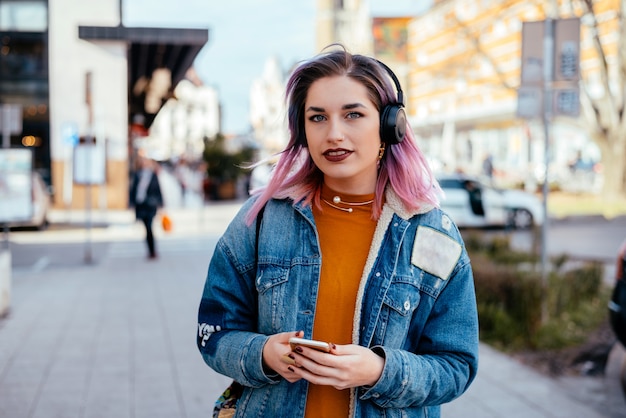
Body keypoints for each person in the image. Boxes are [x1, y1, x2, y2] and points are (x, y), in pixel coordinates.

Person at [197, 46, 479, 417]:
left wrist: (380, 371)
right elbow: (213, 333)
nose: (333, 133)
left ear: (390, 125)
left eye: (353, 114)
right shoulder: (263, 220)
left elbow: (456, 365)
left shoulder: (431, 234)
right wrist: (263, 354)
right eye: (317, 118)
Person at [129, 156, 163, 259]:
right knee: (146, 227)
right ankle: (150, 249)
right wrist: (131, 203)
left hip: (150, 205)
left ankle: (152, 250)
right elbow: (132, 190)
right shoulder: (137, 175)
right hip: (141, 205)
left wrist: (161, 203)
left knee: (149, 227)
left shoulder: (153, 175)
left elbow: (158, 189)